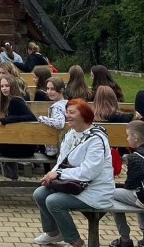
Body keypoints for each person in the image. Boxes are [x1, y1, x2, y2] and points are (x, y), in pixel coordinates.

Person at [33, 99, 115, 247]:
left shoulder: (96, 139)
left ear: (84, 115)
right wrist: (51, 175)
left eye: (71, 112)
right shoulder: (72, 133)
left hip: (95, 190)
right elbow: (61, 161)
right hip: (76, 183)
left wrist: (58, 175)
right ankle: (53, 233)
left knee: (54, 201)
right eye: (67, 112)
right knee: (40, 193)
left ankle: (75, 241)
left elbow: (89, 172)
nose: (67, 116)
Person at [37, 77, 68, 158]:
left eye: (52, 89)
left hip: (56, 149)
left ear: (61, 90)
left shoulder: (56, 107)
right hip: (65, 145)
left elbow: (59, 123)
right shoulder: (67, 103)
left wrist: (41, 118)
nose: (49, 92)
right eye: (47, 88)